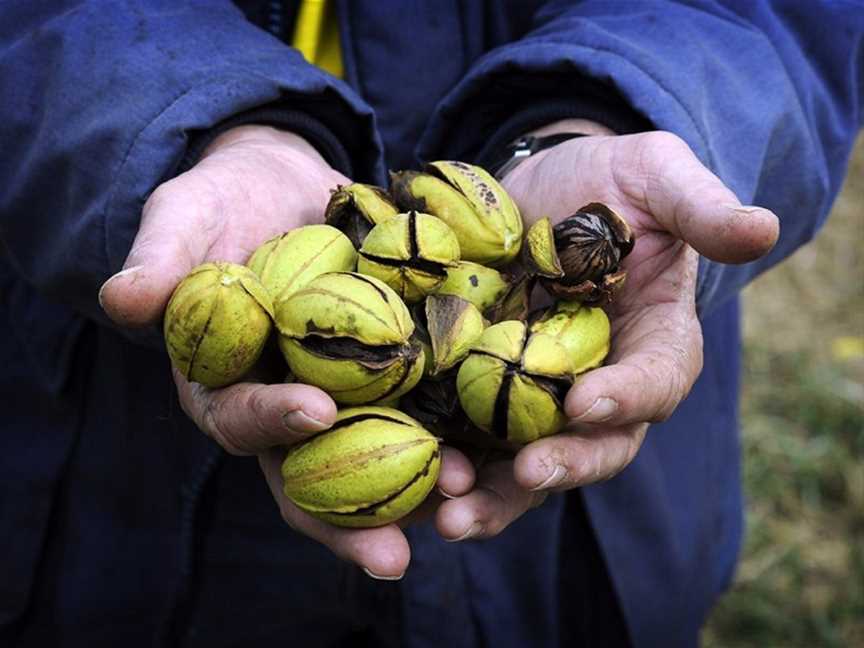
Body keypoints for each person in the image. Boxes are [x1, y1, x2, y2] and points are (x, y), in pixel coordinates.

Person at [0, 2, 860, 646]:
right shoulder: (371, 283)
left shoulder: (488, 283)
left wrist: (603, 112)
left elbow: (776, 21)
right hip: (112, 490)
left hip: (588, 556)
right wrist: (202, 130)